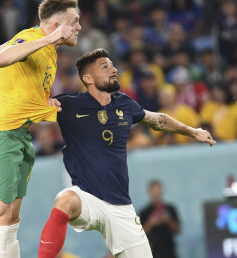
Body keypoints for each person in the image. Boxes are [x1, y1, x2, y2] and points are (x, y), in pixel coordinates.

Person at [37, 48, 215, 258]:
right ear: (88, 78)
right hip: (88, 198)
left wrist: (192, 131)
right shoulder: (66, 104)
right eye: (105, 67)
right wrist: (42, 104)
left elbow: (158, 120)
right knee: (65, 199)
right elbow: (27, 110)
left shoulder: (124, 103)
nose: (114, 69)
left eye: (112, 65)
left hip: (121, 206)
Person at [0, 0, 81, 258]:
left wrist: (46, 102)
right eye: (74, 21)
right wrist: (47, 39)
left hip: (18, 137)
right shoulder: (35, 39)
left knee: (10, 221)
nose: (79, 27)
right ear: (56, 26)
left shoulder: (48, 52)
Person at [139, 180, 180, 258]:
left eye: (158, 191)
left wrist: (169, 220)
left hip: (169, 252)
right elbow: (140, 235)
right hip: (153, 252)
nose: (156, 194)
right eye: (154, 191)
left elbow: (178, 230)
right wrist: (150, 223)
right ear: (149, 192)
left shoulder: (170, 209)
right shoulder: (144, 212)